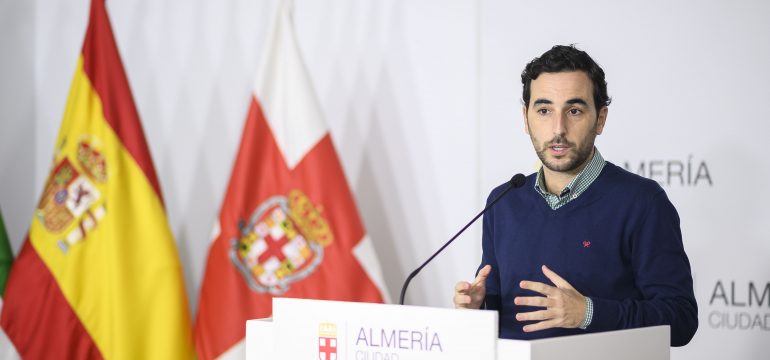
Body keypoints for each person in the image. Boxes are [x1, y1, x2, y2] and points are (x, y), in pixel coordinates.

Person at [453, 45, 698, 346]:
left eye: (574, 111)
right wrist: (476, 310)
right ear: (526, 118)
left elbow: (681, 320)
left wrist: (588, 313)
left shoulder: (642, 202)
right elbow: (499, 309)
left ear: (600, 119)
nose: (558, 129)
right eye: (544, 111)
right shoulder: (504, 201)